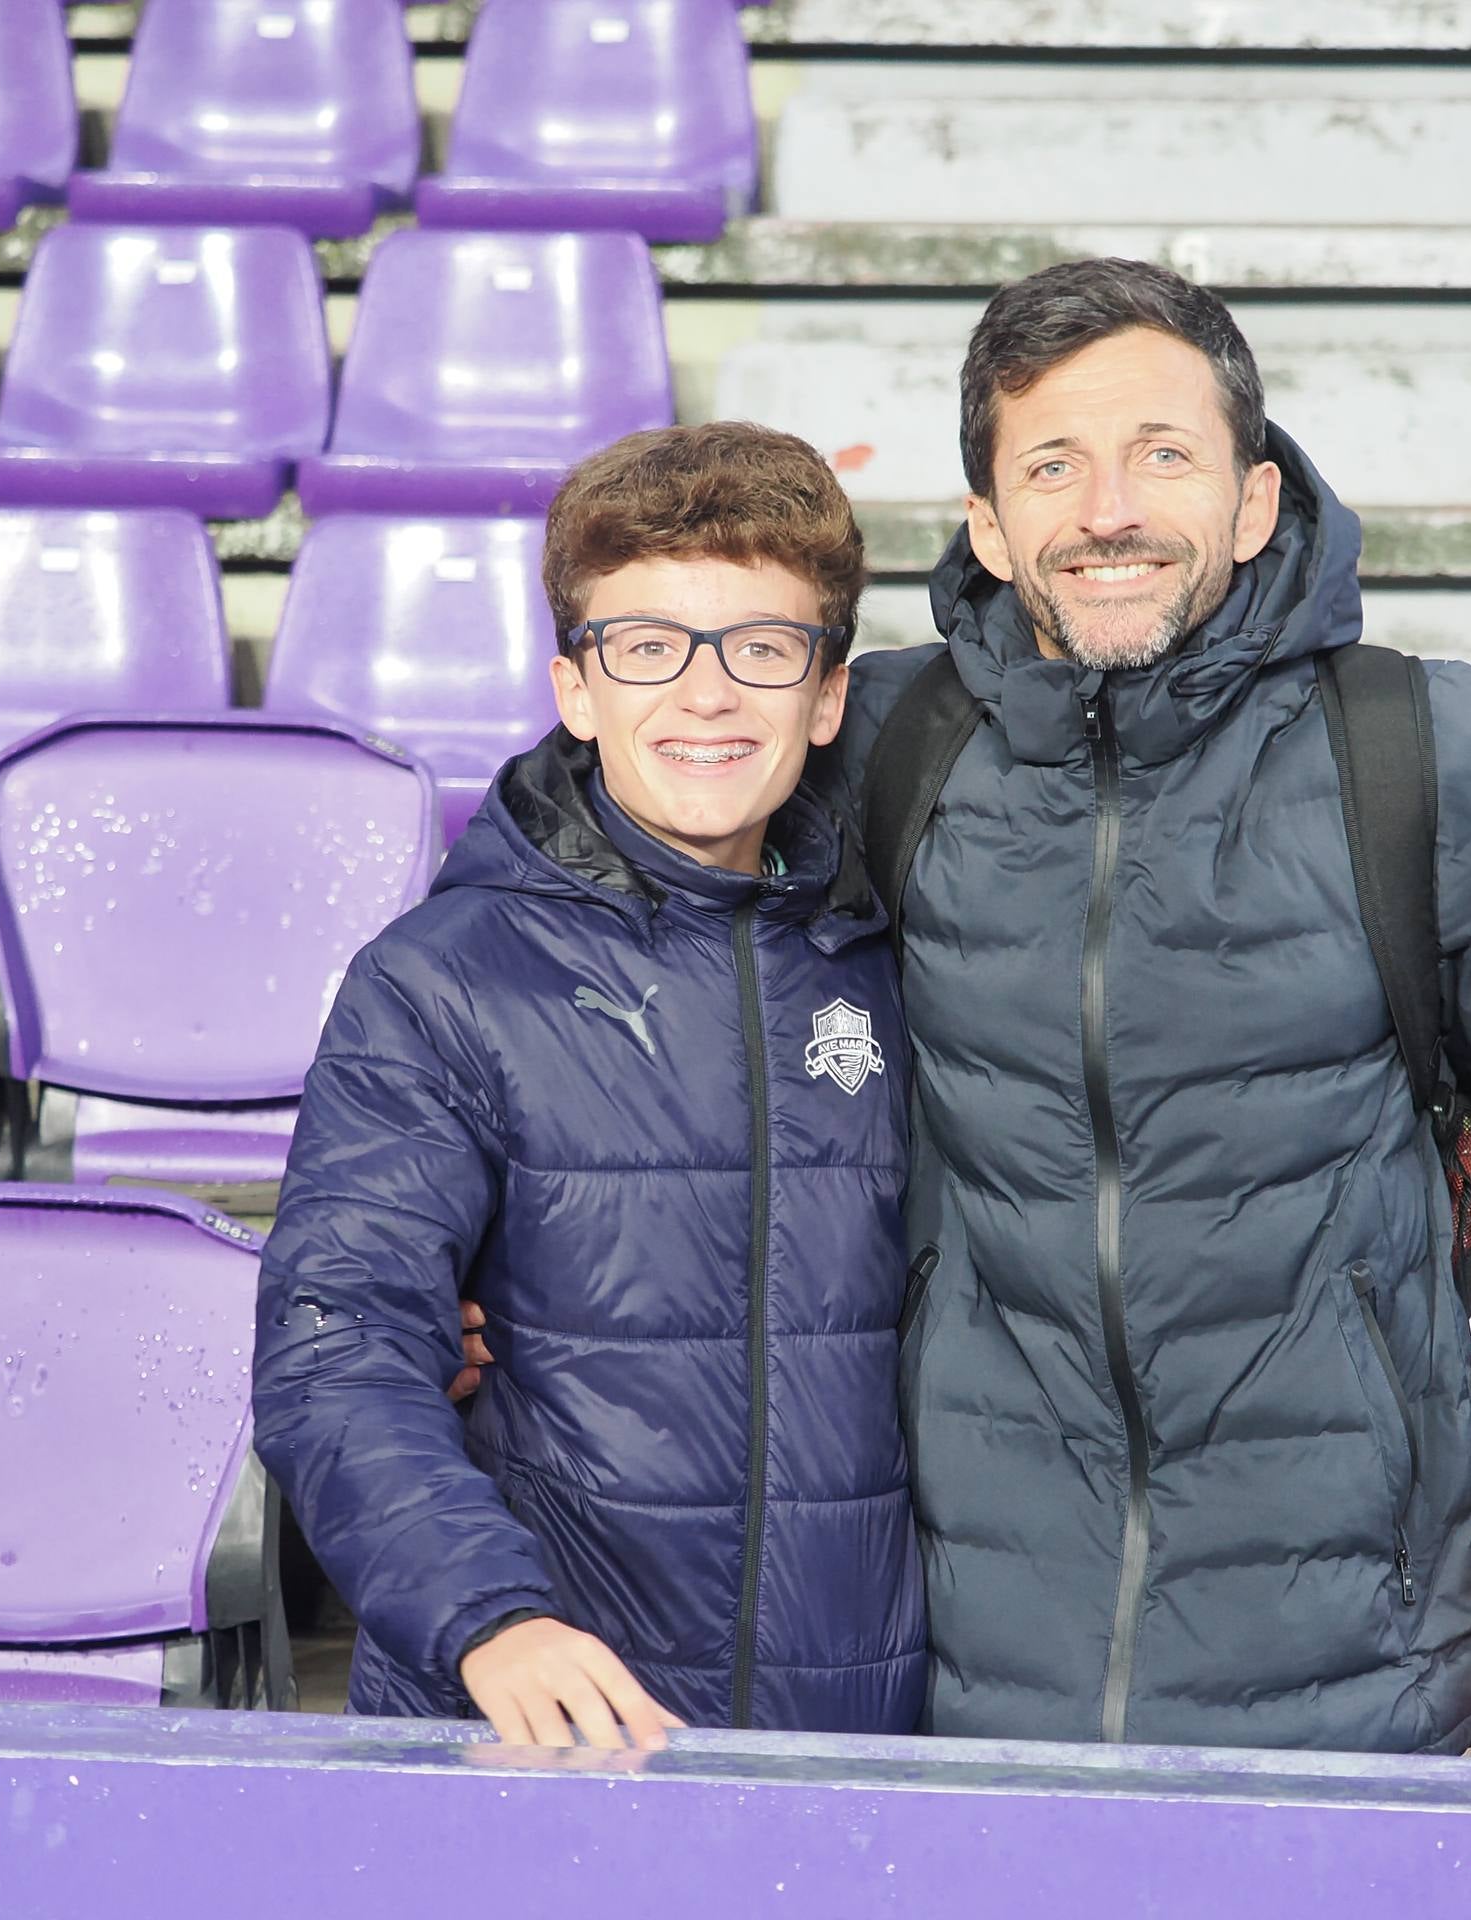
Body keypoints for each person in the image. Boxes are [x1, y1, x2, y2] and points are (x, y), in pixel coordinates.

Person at [826, 259, 1471, 1755]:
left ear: (1252, 500)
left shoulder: (1410, 746)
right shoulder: (891, 743)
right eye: (1053, 465)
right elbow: (601, 881)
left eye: (1163, 453)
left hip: (1352, 1635)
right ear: (988, 524)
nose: (1108, 509)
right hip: (975, 1628)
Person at [253, 421, 925, 1746]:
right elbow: (338, 1341)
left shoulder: (906, 956)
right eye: (648, 647)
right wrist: (486, 1616)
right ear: (575, 688)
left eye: (762, 648)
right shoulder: (439, 982)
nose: (707, 695)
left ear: (827, 697)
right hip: (542, 1720)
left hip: (848, 1724)